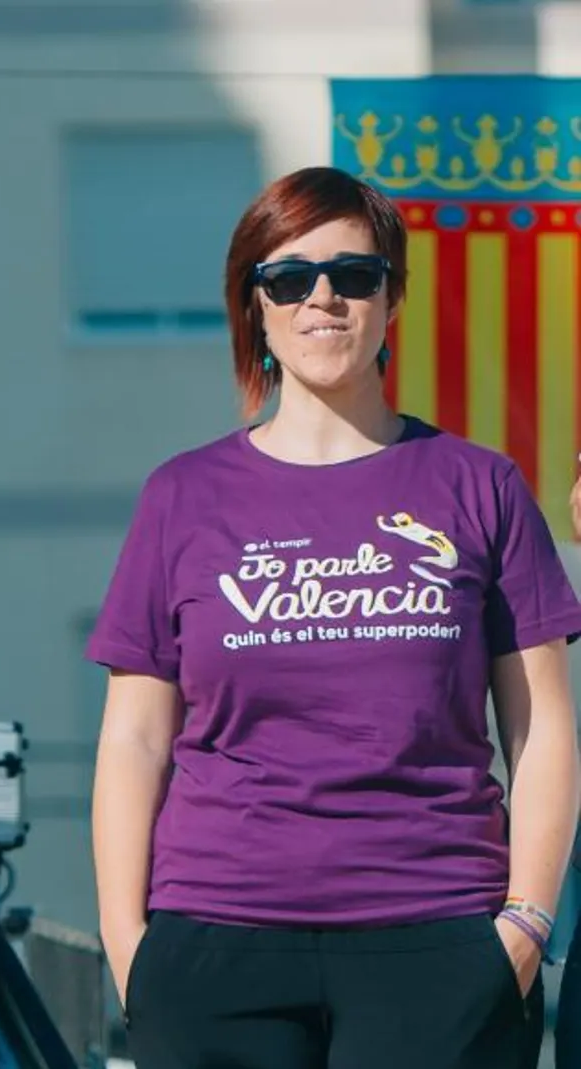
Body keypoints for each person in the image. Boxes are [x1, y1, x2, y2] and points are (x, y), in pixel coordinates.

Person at [87, 165, 581, 1068]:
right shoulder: (182, 495)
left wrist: (525, 922)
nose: (324, 298)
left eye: (355, 276)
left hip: (440, 941)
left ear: (391, 301)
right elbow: (134, 741)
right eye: (290, 277)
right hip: (214, 952)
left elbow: (542, 722)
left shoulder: (480, 486)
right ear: (256, 307)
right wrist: (130, 945)